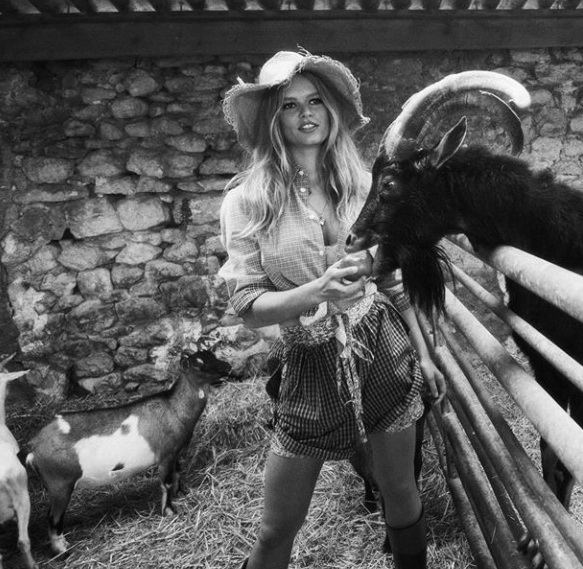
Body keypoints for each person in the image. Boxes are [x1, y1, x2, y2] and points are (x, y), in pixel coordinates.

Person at [219, 49, 446, 569]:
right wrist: (316, 292)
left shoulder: (363, 184)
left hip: (383, 350)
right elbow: (248, 306)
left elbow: (391, 280)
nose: (306, 114)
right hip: (309, 364)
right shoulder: (246, 201)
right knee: (277, 527)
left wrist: (424, 353)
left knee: (400, 491)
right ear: (272, 118)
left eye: (316, 101)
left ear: (332, 110)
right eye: (289, 104)